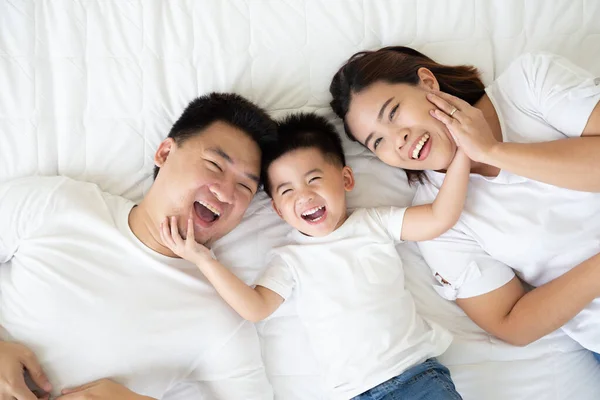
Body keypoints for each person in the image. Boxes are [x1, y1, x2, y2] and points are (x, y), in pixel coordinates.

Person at [160, 112, 469, 400]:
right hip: (353, 393)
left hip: (416, 378)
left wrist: (464, 154)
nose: (304, 196)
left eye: (314, 180)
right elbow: (255, 308)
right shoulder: (290, 258)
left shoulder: (373, 223)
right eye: (287, 190)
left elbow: (439, 217)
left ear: (346, 179)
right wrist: (204, 259)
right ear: (278, 211)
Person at [329, 46, 600, 361]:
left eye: (393, 112)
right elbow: (512, 324)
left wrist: (491, 151)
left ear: (428, 83)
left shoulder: (529, 83)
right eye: (377, 142)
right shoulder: (438, 219)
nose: (397, 139)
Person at [0, 93, 277, 400]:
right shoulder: (58, 205)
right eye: (214, 165)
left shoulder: (221, 315)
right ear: (165, 152)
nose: (225, 193)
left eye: (244, 187)